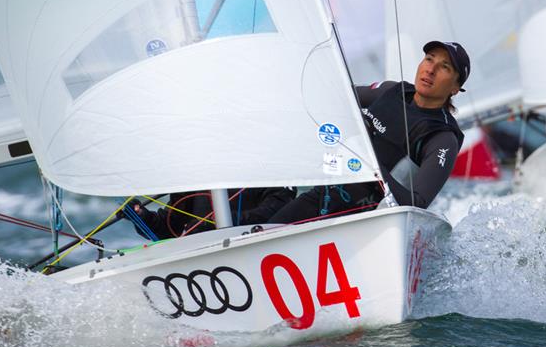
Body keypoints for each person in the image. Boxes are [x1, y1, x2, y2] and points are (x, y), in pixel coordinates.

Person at [268, 40, 469, 223]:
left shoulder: (443, 138)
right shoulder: (391, 91)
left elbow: (417, 203)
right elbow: (338, 96)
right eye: (428, 59)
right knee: (269, 228)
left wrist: (369, 163)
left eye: (444, 67)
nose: (431, 69)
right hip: (325, 195)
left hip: (369, 223)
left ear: (455, 88)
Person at [128, 186, 295, 240]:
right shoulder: (199, 175)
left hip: (255, 248)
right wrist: (143, 218)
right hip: (202, 259)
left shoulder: (271, 170)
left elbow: (277, 214)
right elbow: (170, 229)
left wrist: (219, 222)